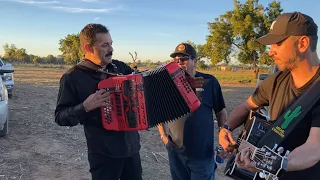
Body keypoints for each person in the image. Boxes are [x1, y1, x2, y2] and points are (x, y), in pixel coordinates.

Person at [218, 12, 320, 180]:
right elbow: (246, 106)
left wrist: (274, 163)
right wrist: (226, 128)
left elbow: (315, 147)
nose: (270, 51)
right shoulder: (275, 81)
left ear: (302, 43)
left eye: (277, 43)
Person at [54, 23, 143, 180]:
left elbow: (142, 86)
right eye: (105, 45)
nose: (111, 49)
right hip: (103, 153)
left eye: (111, 44)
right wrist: (85, 107)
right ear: (88, 48)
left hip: (131, 148)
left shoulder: (120, 67)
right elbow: (60, 117)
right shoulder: (73, 77)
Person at [157, 43, 228, 180]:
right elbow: (158, 110)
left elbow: (220, 111)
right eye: (176, 60)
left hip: (202, 154)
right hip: (176, 152)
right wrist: (163, 135)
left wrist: (223, 135)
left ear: (194, 61)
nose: (179, 62)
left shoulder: (210, 82)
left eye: (183, 59)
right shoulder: (168, 85)